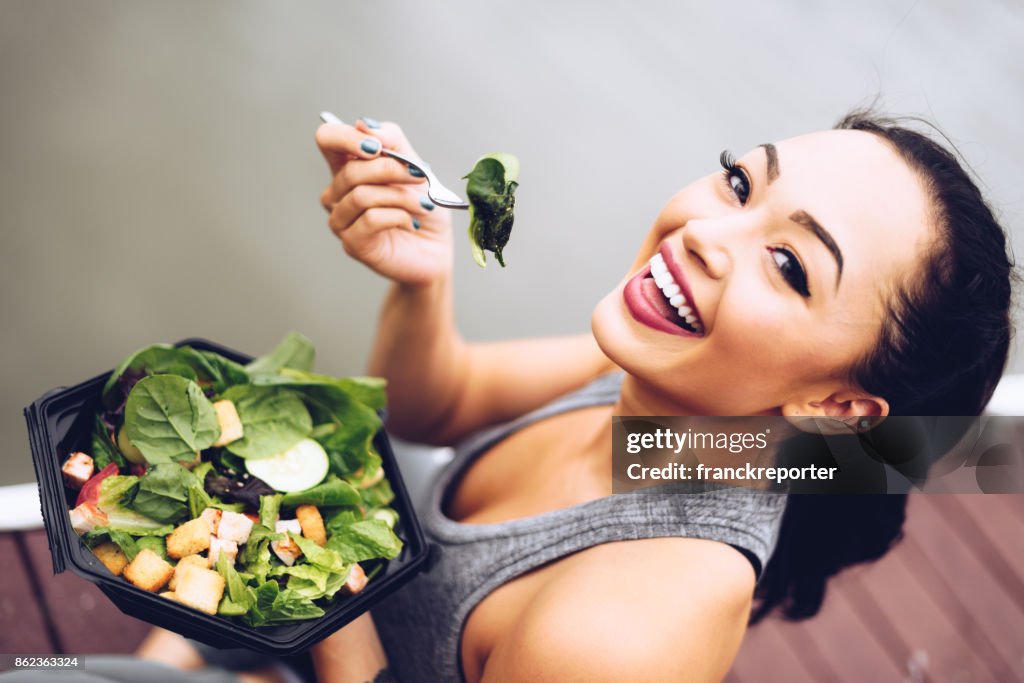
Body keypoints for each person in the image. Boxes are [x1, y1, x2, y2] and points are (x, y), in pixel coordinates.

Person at [5, 109, 1012, 683]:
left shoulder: (633, 631)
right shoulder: (673, 395)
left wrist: (325, 600)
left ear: (842, 407)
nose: (709, 230)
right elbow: (435, 411)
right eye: (740, 182)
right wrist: (420, 281)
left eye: (790, 266)